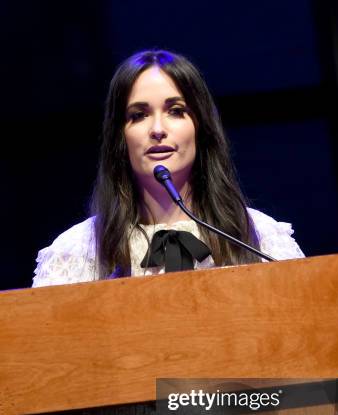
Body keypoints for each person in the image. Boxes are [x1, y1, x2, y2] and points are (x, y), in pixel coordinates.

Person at [32, 49, 304, 287]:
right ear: (120, 137)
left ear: (200, 127)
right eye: (138, 115)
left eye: (175, 111)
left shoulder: (258, 236)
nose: (158, 130)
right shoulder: (79, 251)